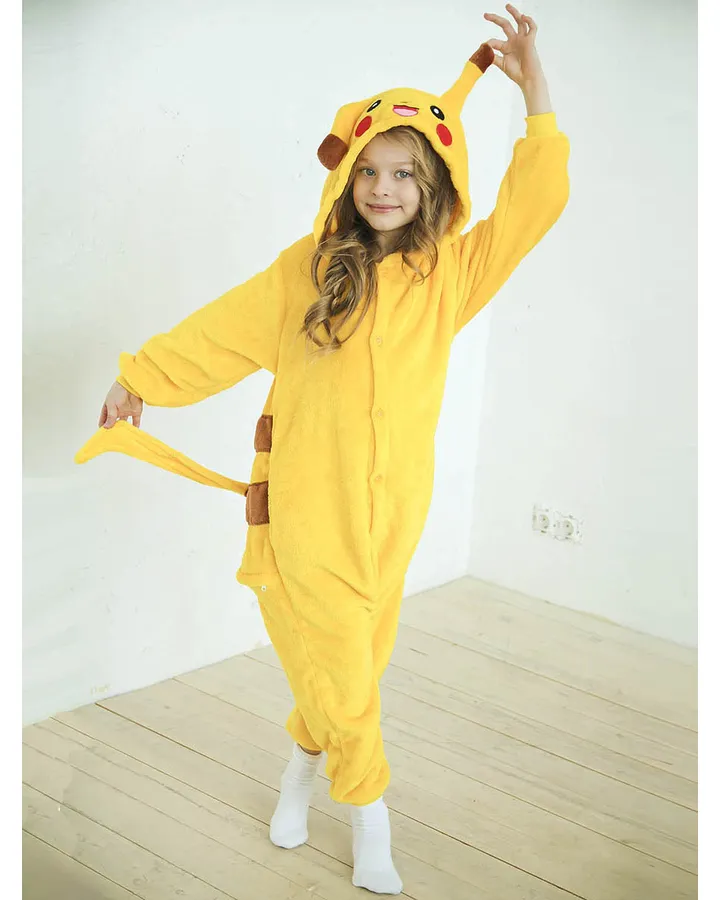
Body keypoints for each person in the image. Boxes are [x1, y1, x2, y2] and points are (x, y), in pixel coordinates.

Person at [79, 6, 570, 894]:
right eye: (370, 170)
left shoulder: (450, 278)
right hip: (307, 507)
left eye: (406, 173)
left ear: (435, 184)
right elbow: (219, 334)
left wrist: (534, 90)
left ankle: (300, 767)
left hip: (395, 512)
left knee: (357, 661)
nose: (384, 188)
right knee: (342, 661)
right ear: (347, 177)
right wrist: (141, 378)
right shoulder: (306, 272)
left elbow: (533, 207)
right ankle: (371, 813)